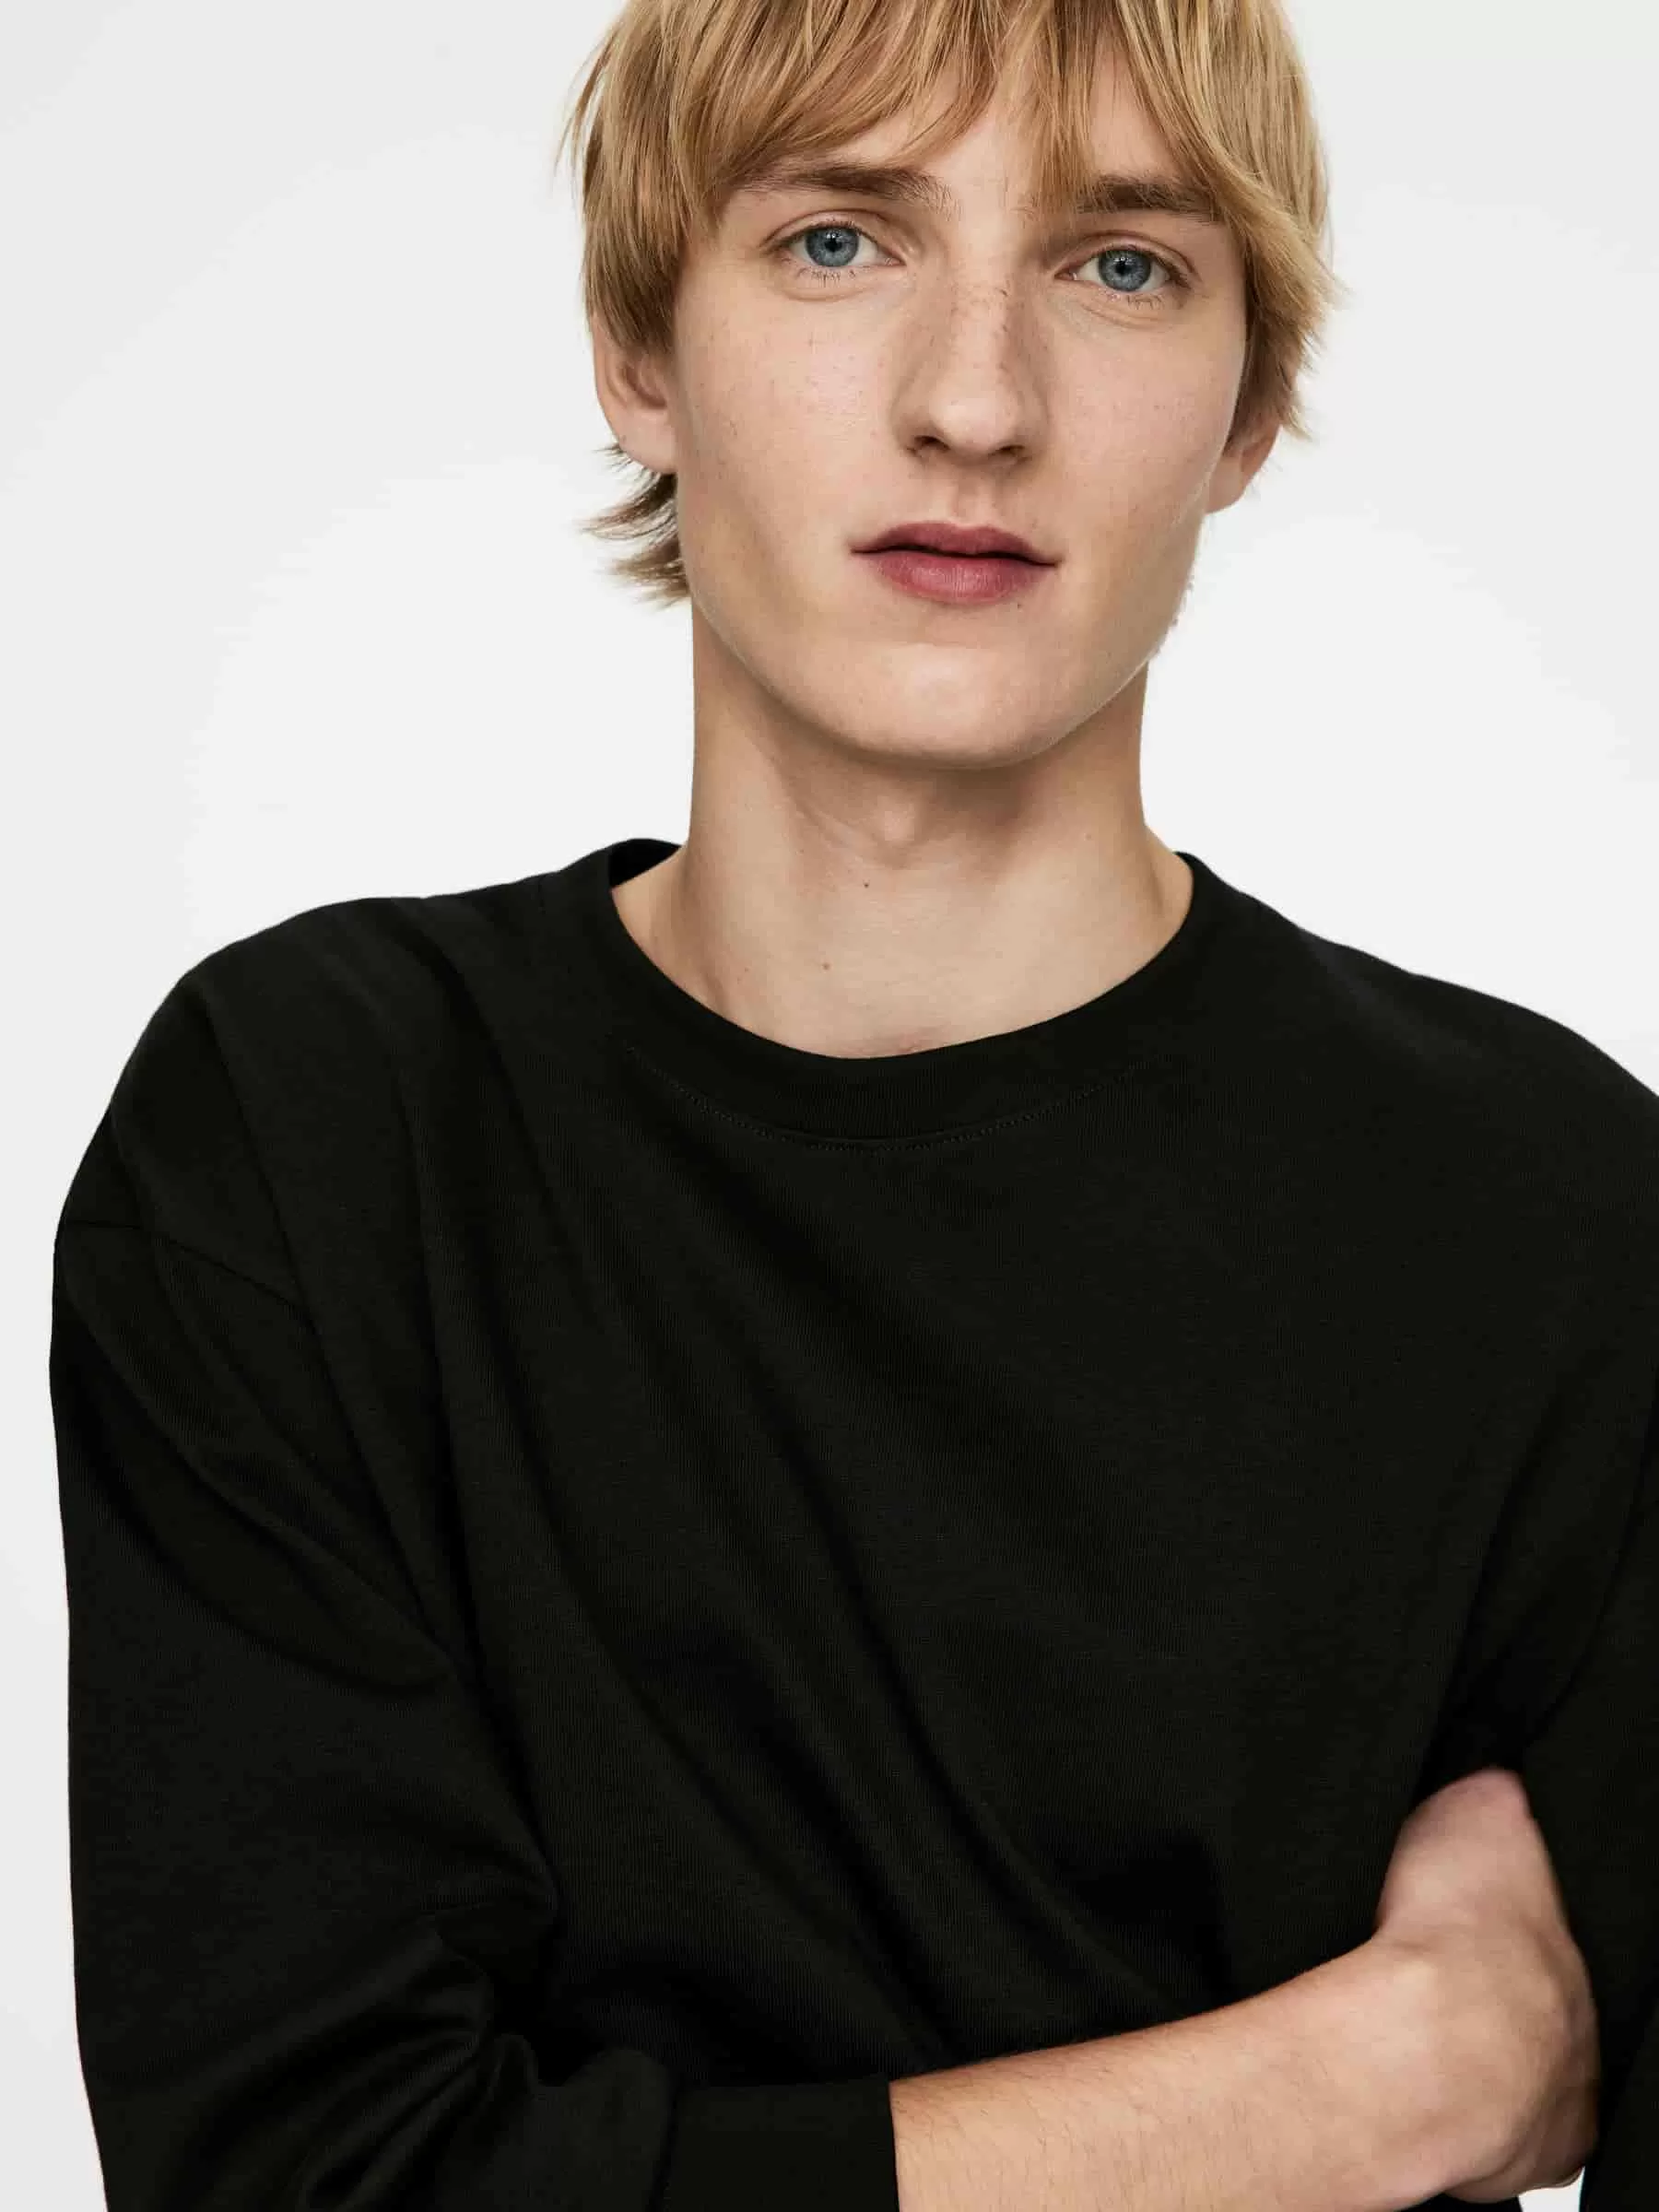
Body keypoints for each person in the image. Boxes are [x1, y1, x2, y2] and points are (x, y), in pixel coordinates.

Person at [48, 2, 1653, 2207]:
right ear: (638, 347)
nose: (974, 403)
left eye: (1121, 266)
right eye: (837, 243)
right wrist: (1353, 2099)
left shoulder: (1549, 1219)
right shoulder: (323, 1135)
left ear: (1253, 403)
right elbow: (303, 2180)